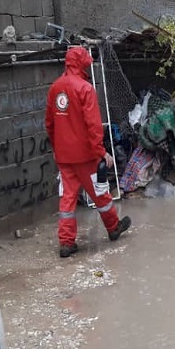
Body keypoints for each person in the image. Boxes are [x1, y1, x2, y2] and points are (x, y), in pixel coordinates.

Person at [45, 47, 131, 258]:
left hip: (64, 157)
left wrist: (57, 149)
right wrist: (102, 152)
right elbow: (93, 126)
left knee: (67, 199)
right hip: (85, 156)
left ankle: (66, 243)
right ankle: (113, 227)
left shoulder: (55, 88)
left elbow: (49, 124)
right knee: (100, 192)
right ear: (83, 64)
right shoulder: (85, 89)